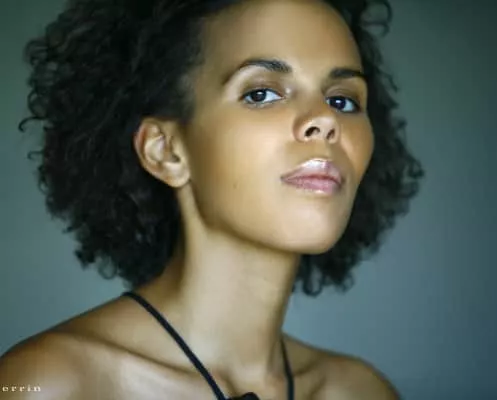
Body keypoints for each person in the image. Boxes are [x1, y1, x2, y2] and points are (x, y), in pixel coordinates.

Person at [0, 0, 424, 398]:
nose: (325, 120)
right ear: (166, 151)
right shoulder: (46, 385)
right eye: (262, 93)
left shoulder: (362, 391)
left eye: (342, 100)